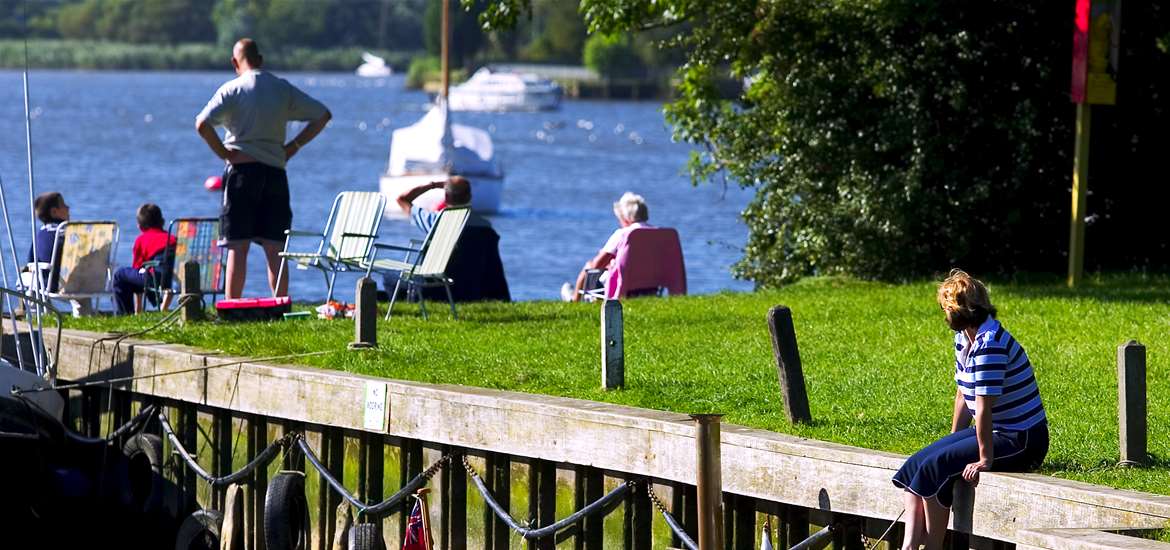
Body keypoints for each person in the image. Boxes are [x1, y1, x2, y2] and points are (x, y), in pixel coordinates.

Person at [892, 269, 1048, 550]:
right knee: (915, 466)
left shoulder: (990, 344)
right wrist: (952, 440)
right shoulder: (964, 338)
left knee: (936, 466)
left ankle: (933, 547)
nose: (944, 314)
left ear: (958, 309)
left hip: (1022, 439)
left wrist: (985, 459)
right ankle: (910, 546)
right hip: (996, 430)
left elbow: (984, 407)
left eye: (945, 308)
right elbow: (964, 394)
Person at [195, 38, 331, 299]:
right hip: (275, 173)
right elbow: (323, 115)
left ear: (235, 62)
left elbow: (202, 124)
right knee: (275, 248)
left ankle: (232, 307)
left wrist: (224, 153)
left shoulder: (232, 89)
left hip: (241, 173)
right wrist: (294, 146)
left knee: (237, 247)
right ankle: (279, 304)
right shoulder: (281, 88)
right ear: (260, 59)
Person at [389, 176, 510, 302]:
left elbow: (402, 199)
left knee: (390, 278)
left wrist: (433, 185)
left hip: (435, 289)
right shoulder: (485, 227)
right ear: (470, 197)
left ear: (446, 197)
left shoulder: (435, 221)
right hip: (471, 289)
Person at [560, 192, 651, 302]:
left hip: (620, 285)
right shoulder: (659, 234)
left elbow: (597, 265)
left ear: (625, 219)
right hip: (650, 286)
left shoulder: (623, 234)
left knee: (590, 266)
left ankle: (575, 299)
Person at [112, 204, 177, 315]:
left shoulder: (141, 240)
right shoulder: (173, 239)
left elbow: (137, 269)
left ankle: (126, 314)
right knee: (145, 273)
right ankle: (156, 307)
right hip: (172, 280)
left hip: (154, 279)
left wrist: (138, 308)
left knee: (120, 275)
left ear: (140, 226)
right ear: (161, 221)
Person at [21, 191, 69, 292]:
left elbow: (31, 262)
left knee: (22, 278)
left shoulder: (42, 235)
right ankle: (83, 303)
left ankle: (35, 303)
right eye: (63, 205)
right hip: (83, 283)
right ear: (54, 212)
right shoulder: (74, 233)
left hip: (53, 285)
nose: (68, 207)